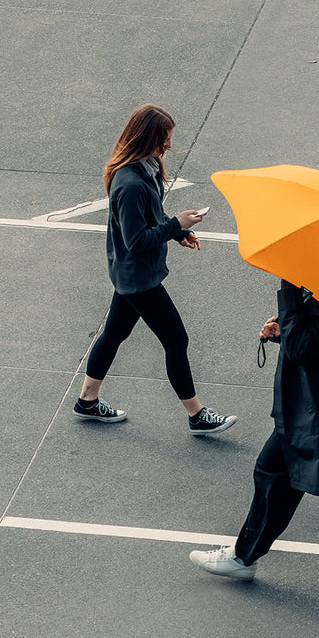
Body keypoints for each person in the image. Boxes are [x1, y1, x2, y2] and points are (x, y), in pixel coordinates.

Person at [190, 281, 319, 595]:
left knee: (303, 478)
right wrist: (286, 330)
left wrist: (288, 295)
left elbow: (302, 348)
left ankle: (243, 557)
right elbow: (317, 340)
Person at [73, 104, 236, 435]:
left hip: (130, 274)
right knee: (176, 339)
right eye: (164, 139)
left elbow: (151, 218)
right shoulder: (130, 183)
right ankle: (197, 415)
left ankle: (87, 401)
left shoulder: (144, 168)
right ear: (147, 137)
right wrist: (176, 222)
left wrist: (178, 232)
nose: (168, 146)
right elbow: (136, 240)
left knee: (115, 333)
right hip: (139, 278)